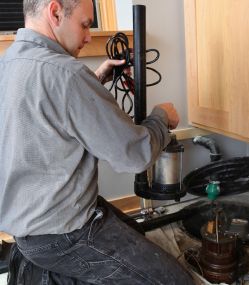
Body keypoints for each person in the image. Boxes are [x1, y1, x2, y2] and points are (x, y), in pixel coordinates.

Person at [0, 0, 195, 284]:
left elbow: (46, 112)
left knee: (137, 237)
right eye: (85, 24)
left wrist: (93, 82)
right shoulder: (66, 74)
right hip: (63, 236)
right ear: (55, 12)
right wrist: (161, 118)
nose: (89, 36)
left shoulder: (8, 63)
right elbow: (134, 154)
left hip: (26, 233)